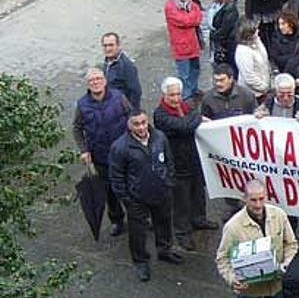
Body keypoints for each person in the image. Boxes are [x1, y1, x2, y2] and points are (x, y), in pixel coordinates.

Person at [216, 179, 296, 298]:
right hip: (248, 288)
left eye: (261, 199)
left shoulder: (279, 215)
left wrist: (286, 264)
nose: (258, 205)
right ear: (245, 200)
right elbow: (222, 258)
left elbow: (291, 244)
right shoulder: (233, 227)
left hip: (276, 283)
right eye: (253, 200)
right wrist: (232, 279)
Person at [109, 110, 180, 282]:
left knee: (163, 223)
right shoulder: (120, 147)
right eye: (136, 124)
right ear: (129, 125)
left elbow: (169, 160)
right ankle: (141, 261)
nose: (141, 127)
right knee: (138, 232)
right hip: (137, 199)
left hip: (161, 192)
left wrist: (168, 181)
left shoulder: (160, 137)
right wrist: (127, 199)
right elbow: (116, 176)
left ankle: (164, 250)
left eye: (143, 122)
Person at [153, 77, 217, 251]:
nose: (175, 99)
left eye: (178, 94)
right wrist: (197, 118)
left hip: (193, 160)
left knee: (198, 194)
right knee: (181, 202)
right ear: (164, 95)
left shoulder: (185, 107)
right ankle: (182, 232)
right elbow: (182, 126)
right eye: (171, 95)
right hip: (176, 164)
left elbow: (189, 120)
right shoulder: (160, 114)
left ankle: (199, 219)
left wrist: (194, 117)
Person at [73, 69, 131, 237]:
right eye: (92, 80)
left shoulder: (119, 97)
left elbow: (131, 116)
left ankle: (138, 216)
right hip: (100, 155)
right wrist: (83, 150)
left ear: (105, 81)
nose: (96, 82)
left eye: (98, 79)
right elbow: (77, 128)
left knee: (130, 186)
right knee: (109, 191)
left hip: (122, 152)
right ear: (88, 84)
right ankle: (117, 220)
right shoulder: (82, 105)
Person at [164, 0, 203, 101]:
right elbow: (185, 20)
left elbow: (198, 16)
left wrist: (192, 18)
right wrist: (193, 18)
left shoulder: (190, 4)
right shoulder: (170, 7)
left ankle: (194, 89)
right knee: (184, 74)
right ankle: (186, 97)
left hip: (193, 43)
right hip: (181, 46)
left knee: (195, 69)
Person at [100, 32, 142, 110]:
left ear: (118, 46)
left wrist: (134, 114)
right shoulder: (106, 63)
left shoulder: (127, 66)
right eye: (105, 45)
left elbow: (135, 92)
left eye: (111, 45)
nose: (107, 49)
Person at [235, 21, 272, 101]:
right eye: (255, 31)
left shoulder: (256, 42)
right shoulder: (243, 51)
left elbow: (265, 58)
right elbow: (248, 76)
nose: (258, 31)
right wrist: (264, 87)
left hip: (262, 91)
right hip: (251, 94)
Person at [208, 0, 240, 72]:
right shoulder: (215, 6)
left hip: (227, 43)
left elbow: (225, 29)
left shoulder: (229, 9)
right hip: (218, 41)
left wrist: (214, 35)